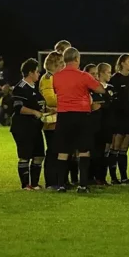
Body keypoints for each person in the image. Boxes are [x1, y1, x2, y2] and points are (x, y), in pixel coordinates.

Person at [52, 48, 105, 193]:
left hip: (63, 115)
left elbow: (57, 92)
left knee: (63, 151)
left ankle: (61, 184)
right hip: (81, 115)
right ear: (77, 59)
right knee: (83, 150)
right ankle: (82, 185)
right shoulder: (84, 76)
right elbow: (100, 89)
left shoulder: (56, 77)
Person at [10, 59, 46, 190]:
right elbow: (18, 108)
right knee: (25, 156)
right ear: (30, 73)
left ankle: (34, 184)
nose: (39, 74)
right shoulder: (20, 88)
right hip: (23, 127)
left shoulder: (34, 89)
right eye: (37, 71)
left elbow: (40, 106)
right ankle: (25, 185)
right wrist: (34, 112)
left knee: (39, 155)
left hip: (35, 128)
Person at [109, 54, 129, 184]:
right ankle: (114, 177)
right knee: (115, 147)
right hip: (118, 118)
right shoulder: (115, 79)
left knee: (124, 149)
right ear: (122, 64)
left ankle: (124, 177)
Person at [39, 52, 63, 189]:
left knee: (58, 150)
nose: (63, 66)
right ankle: (51, 182)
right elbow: (50, 99)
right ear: (54, 65)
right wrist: (66, 99)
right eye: (60, 64)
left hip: (57, 119)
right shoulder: (48, 78)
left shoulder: (54, 78)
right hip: (50, 120)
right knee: (53, 150)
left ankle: (58, 181)